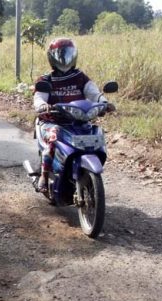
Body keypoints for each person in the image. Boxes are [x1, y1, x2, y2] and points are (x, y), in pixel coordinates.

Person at [32, 38, 114, 192]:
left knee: (95, 131)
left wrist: (104, 102)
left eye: (68, 54)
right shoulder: (45, 80)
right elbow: (39, 97)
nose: (64, 58)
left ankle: (84, 173)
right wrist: (43, 106)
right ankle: (43, 175)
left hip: (78, 120)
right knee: (54, 135)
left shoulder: (80, 77)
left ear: (74, 55)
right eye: (60, 54)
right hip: (53, 122)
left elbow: (93, 92)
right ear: (52, 57)